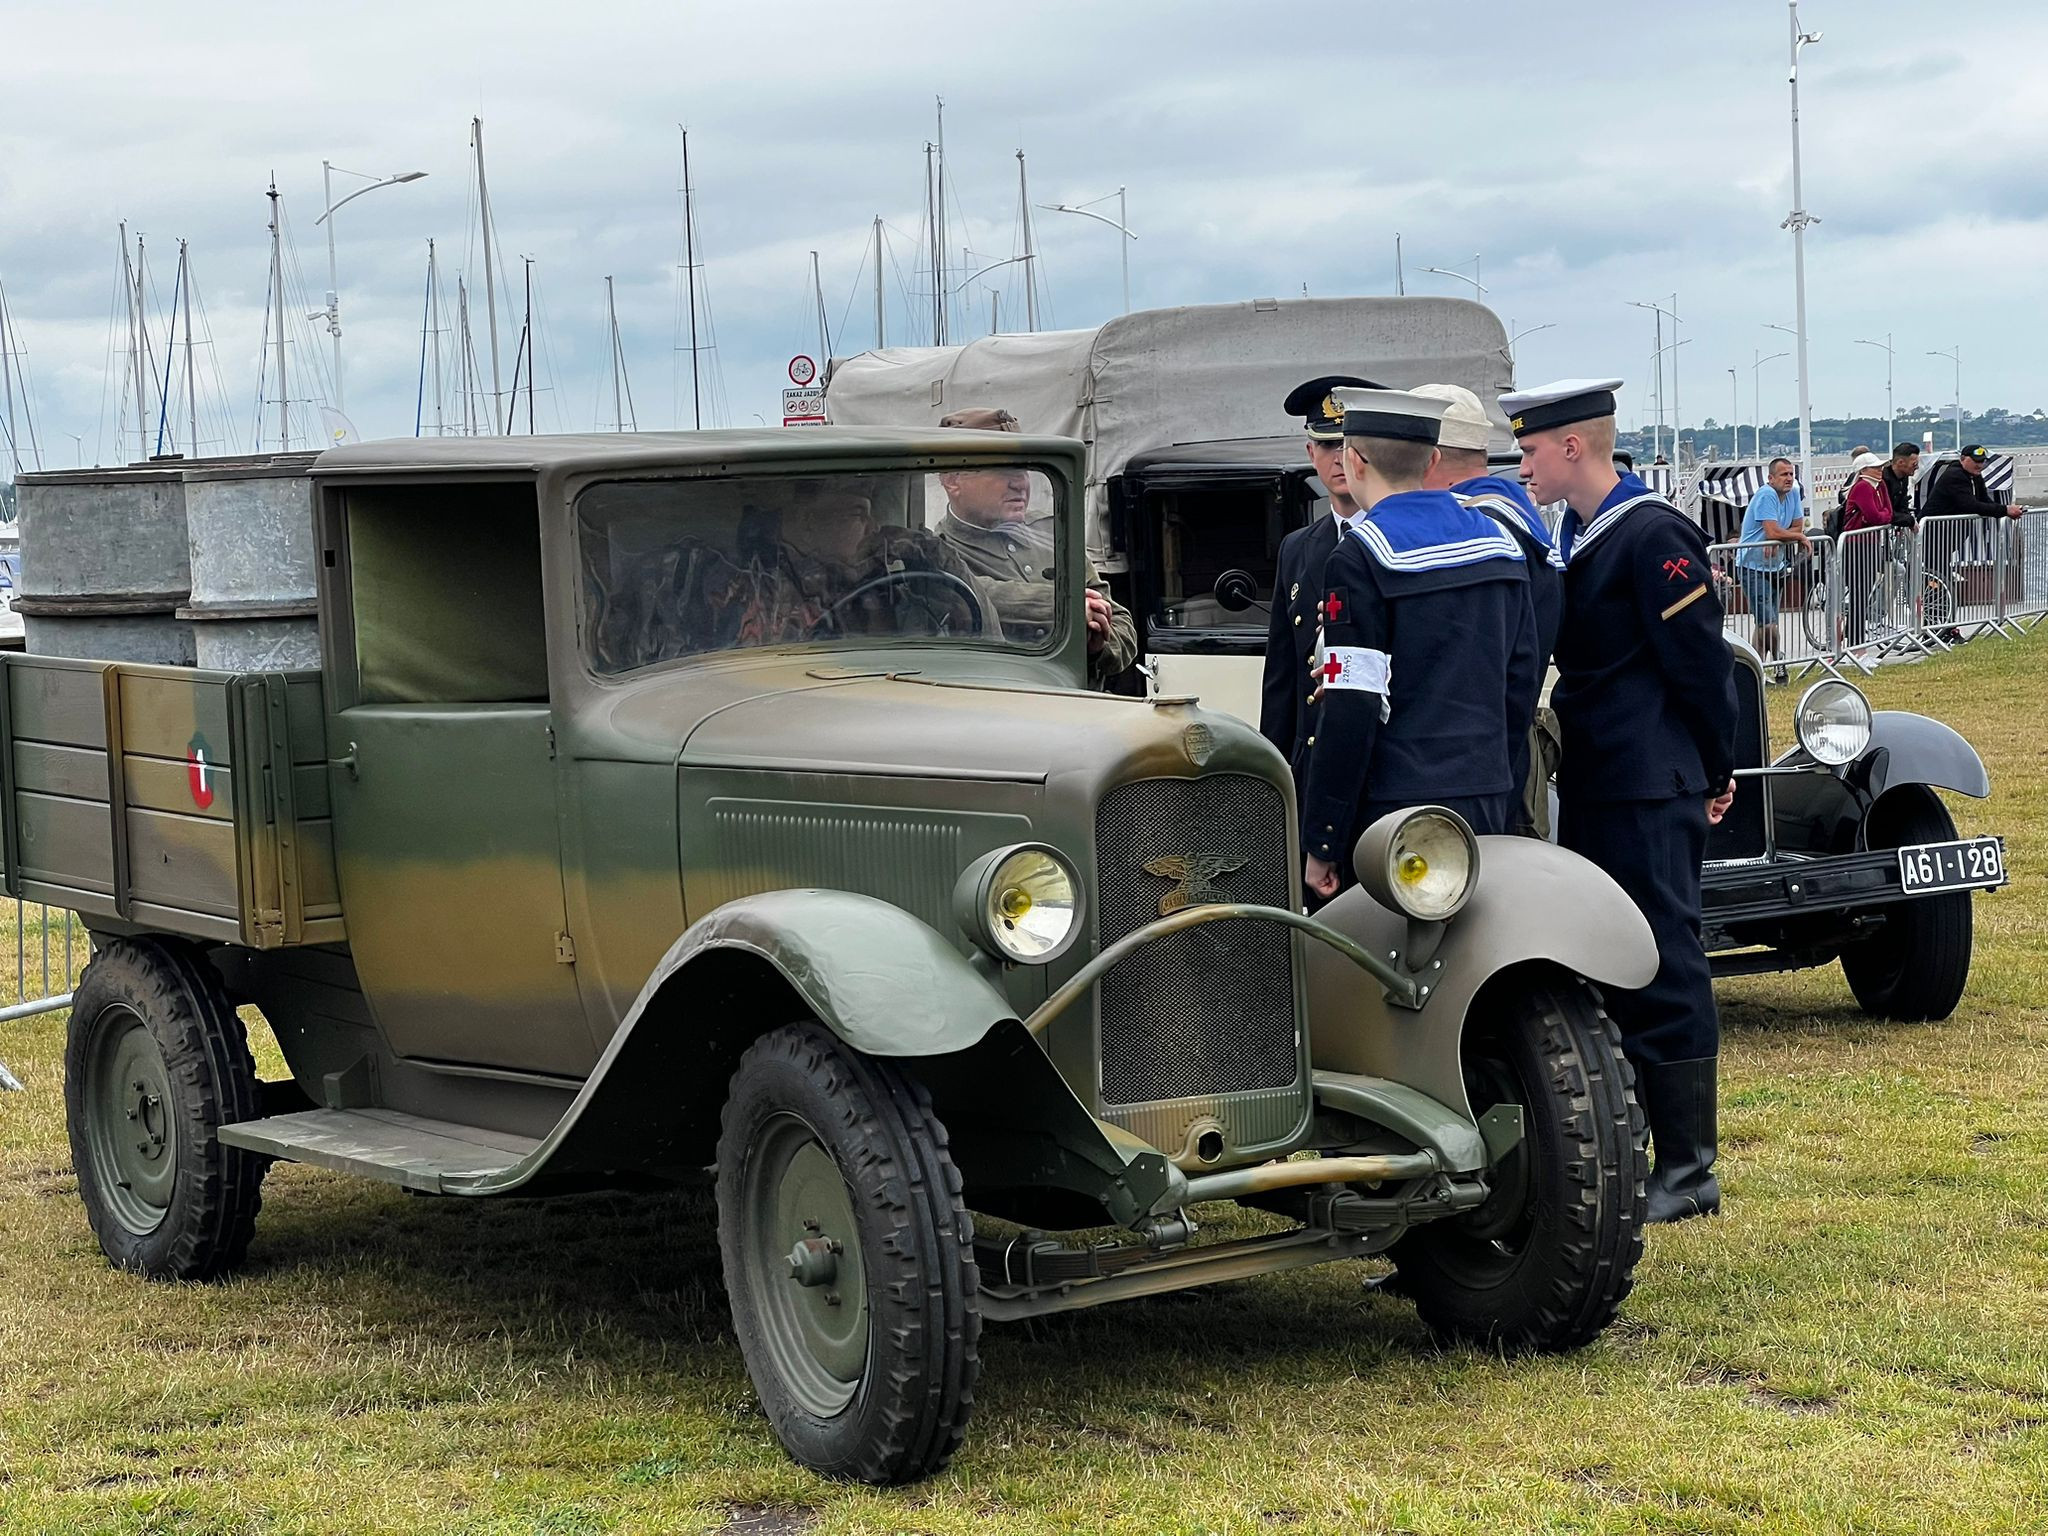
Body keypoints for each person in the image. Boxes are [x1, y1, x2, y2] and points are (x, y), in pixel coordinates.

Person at [1503, 377, 1737, 1225]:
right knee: (1615, 958)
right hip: (1606, 776)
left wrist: (1717, 767)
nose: (1523, 465)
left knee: (1666, 958)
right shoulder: (1581, 534)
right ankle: (1637, 1144)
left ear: (1574, 447)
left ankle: (1690, 1166)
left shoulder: (1653, 534)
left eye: (1531, 451)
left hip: (1651, 779)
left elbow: (1700, 667)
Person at [1298, 387, 1538, 901]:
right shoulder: (1501, 543)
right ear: (1432, 459)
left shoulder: (1358, 558)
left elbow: (1352, 705)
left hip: (1396, 808)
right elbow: (1520, 681)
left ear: (1354, 460)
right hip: (1487, 791)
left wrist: (1323, 838)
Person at [1412, 382, 1558, 836]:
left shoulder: (1469, 532)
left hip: (1461, 766)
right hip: (1505, 750)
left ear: (1429, 455)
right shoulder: (1520, 519)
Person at [935, 407, 1138, 684]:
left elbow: (1121, 625)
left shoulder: (1052, 532)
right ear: (952, 480)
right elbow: (976, 595)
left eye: (1024, 469)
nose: (1020, 483)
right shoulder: (938, 553)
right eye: (1003, 470)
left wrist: (1098, 645)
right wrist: (1069, 610)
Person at [1260, 374, 1379, 784]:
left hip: (1381, 767)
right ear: (1311, 452)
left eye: (1350, 444)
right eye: (1329, 444)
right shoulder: (1298, 548)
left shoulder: (1397, 540)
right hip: (1312, 768)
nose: (1339, 457)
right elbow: (1282, 677)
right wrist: (1273, 775)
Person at [1734, 457, 1811, 666]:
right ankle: (1779, 663)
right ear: (1771, 478)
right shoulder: (1766, 494)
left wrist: (1779, 538)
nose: (1788, 479)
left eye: (1791, 474)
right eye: (1784, 475)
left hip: (1775, 566)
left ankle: (1756, 669)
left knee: (1765, 623)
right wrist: (1795, 537)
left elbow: (1796, 526)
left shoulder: (1794, 492)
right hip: (1752, 565)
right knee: (1767, 623)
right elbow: (1772, 530)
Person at [1838, 450, 1893, 646]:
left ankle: (1855, 640)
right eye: (1875, 467)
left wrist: (1883, 515)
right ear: (1863, 470)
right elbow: (1876, 517)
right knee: (1859, 594)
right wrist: (1883, 515)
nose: (1880, 470)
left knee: (1864, 593)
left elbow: (1887, 511)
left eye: (1880, 467)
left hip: (1870, 543)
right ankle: (1855, 642)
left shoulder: (1880, 486)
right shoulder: (1862, 487)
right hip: (1857, 545)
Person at [1922, 444, 2026, 522]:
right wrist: (2005, 510)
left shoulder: (1975, 475)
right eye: (1976, 461)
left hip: (1948, 529)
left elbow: (1984, 499)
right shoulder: (1955, 475)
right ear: (1962, 459)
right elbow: (1970, 505)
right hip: (1935, 529)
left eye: (1982, 461)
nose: (1979, 465)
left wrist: (2007, 510)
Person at [1881, 442, 1920, 530]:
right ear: (1900, 462)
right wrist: (1909, 520)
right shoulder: (1883, 479)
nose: (1917, 467)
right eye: (1914, 464)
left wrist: (1905, 518)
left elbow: (1902, 505)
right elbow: (1885, 511)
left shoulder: (1904, 477)